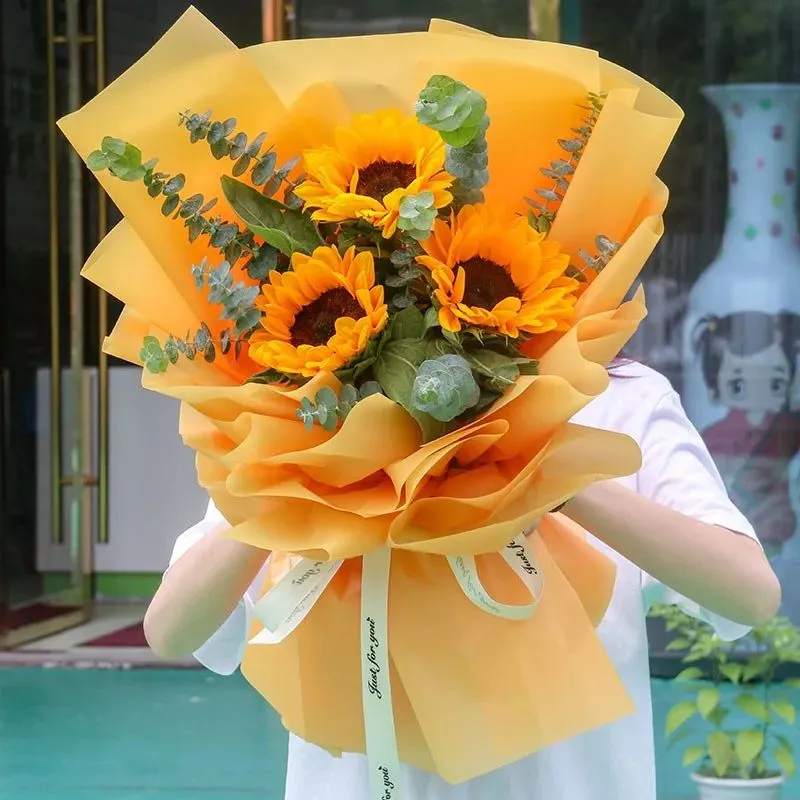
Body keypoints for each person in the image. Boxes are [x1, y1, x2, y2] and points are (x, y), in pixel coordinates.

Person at [144, 360, 781, 800]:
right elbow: (172, 628)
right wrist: (290, 475)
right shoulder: (312, 401)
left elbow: (748, 593)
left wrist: (551, 470)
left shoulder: (618, 396)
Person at [694, 311, 800, 555]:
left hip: (777, 532)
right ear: (715, 390)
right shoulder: (714, 436)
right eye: (738, 386)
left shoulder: (787, 429)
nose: (759, 394)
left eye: (775, 383)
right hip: (728, 533)